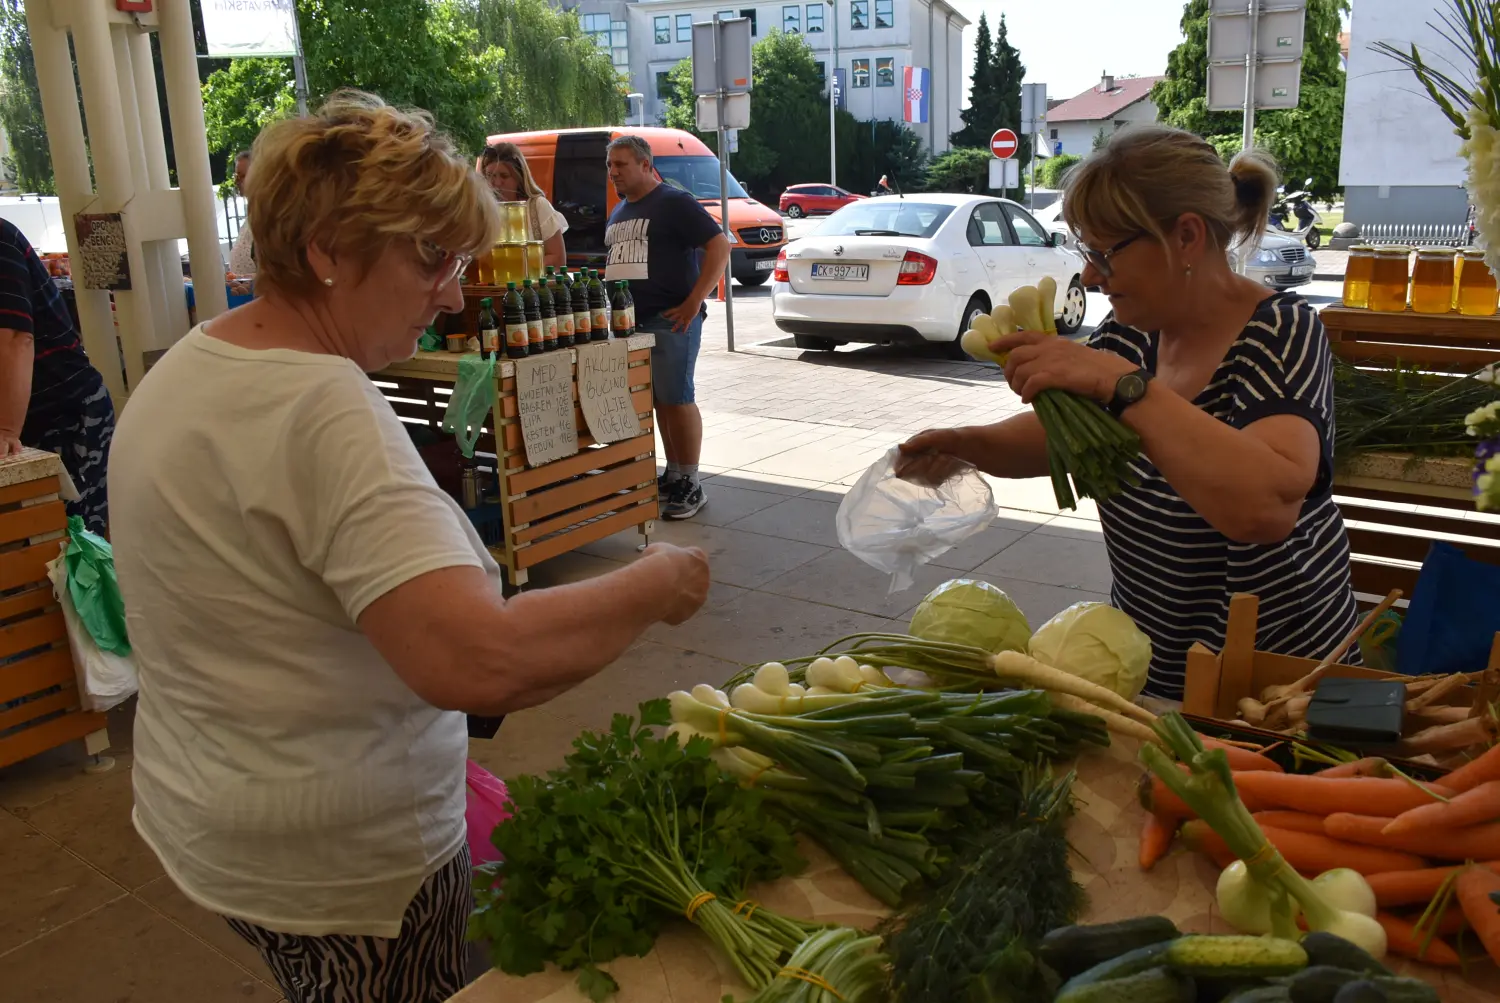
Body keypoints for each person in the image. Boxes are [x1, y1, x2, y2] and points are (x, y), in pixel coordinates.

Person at [108, 91, 710, 1003]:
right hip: (344, 868)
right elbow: (481, 660)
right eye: (431, 256)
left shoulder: (189, 364)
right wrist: (655, 582)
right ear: (326, 252)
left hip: (217, 817)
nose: (456, 290)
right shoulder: (324, 408)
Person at [896, 125, 1360, 701]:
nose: (1090, 275)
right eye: (1085, 252)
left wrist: (1123, 386)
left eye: (1104, 253)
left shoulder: (1281, 332)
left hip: (1277, 681)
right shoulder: (1131, 333)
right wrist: (966, 443)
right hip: (1153, 658)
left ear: (1186, 236)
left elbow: (1264, 509)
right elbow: (1059, 437)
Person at [603, 134, 730, 521]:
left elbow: (719, 245)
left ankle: (692, 482)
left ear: (645, 164)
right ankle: (674, 474)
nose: (613, 173)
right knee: (659, 401)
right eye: (610, 167)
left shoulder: (674, 202)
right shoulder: (620, 211)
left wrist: (694, 302)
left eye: (621, 165)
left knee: (677, 399)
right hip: (633, 324)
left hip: (671, 320)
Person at [0, 217, 115, 535]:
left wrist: (6, 430)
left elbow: (13, 338)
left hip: (65, 415)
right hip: (33, 421)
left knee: (77, 548)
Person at [477, 142, 567, 267]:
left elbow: (558, 259)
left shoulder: (537, 206)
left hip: (530, 286)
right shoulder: (481, 211)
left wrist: (518, 268)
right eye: (490, 175)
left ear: (519, 177)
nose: (496, 183)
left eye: (504, 176)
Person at [227, 150, 256, 278]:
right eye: (236, 176)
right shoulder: (251, 217)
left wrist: (240, 279)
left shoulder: (271, 218)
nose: (237, 181)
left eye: (242, 175)